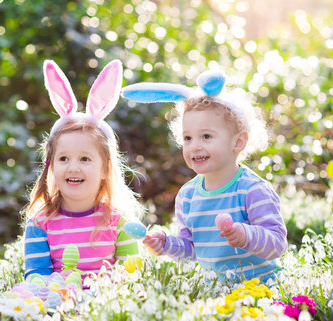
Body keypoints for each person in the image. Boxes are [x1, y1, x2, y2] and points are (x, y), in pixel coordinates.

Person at [122, 69, 287, 281]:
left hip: (259, 291)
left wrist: (247, 235)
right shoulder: (188, 195)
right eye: (188, 138)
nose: (194, 146)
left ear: (238, 141)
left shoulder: (252, 190)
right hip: (215, 294)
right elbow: (191, 250)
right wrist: (166, 244)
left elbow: (277, 245)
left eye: (206, 136)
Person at [23, 59, 144, 279]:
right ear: (51, 166)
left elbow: (131, 277)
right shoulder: (40, 224)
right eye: (64, 158)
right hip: (57, 305)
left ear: (106, 169)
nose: (73, 167)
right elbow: (36, 276)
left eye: (85, 159)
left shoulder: (119, 222)